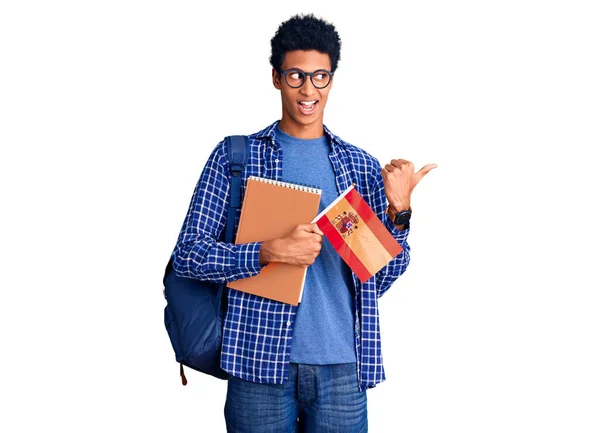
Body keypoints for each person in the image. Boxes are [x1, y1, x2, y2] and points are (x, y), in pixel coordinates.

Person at [172, 13, 436, 433]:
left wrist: (398, 214)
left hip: (344, 369)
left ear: (332, 79)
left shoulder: (359, 167)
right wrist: (267, 251)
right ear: (277, 77)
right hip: (258, 363)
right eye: (296, 76)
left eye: (320, 76)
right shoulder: (237, 158)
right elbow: (188, 255)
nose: (308, 89)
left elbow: (376, 281)